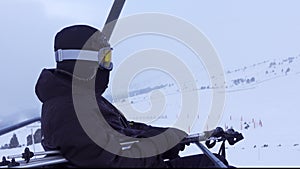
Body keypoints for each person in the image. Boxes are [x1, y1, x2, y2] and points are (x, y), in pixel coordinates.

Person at [35, 25, 229, 168]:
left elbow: (123, 132)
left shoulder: (79, 100)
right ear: (83, 60)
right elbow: (112, 160)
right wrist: (157, 146)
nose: (109, 66)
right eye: (105, 59)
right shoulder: (69, 109)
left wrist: (165, 136)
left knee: (211, 162)